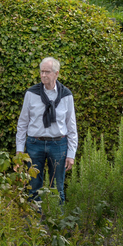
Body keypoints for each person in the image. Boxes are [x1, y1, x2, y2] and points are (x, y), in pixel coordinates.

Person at [16, 57, 77, 203]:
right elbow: (22, 123)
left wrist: (71, 154)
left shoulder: (66, 95)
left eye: (47, 72)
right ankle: (34, 223)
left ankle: (57, 223)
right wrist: (19, 151)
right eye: (41, 71)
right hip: (34, 144)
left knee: (58, 188)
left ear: (56, 73)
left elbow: (71, 126)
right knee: (33, 187)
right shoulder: (31, 94)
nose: (43, 75)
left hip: (59, 145)